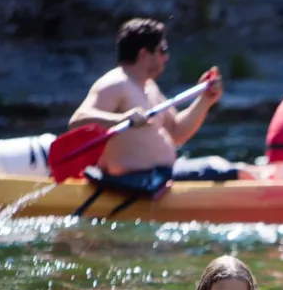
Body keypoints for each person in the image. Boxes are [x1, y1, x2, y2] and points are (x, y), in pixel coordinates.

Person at [68, 18, 254, 183]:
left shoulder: (148, 86)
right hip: (135, 182)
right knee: (235, 171)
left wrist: (204, 100)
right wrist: (121, 119)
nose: (166, 57)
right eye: (161, 50)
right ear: (143, 54)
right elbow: (77, 121)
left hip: (160, 177)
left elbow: (177, 132)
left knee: (238, 169)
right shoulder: (114, 83)